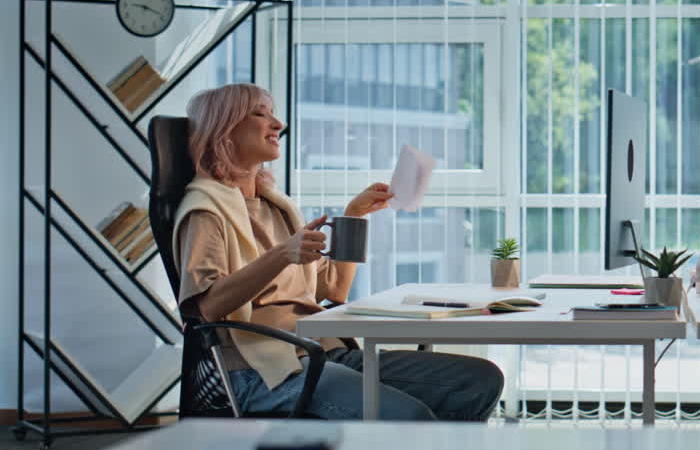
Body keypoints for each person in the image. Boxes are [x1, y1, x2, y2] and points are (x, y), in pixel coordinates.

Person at [174, 83, 504, 420]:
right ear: (224, 131)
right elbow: (208, 308)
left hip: (323, 351)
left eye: (273, 114)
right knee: (411, 419)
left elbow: (333, 289)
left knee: (478, 380)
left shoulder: (275, 206)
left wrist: (354, 216)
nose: (278, 124)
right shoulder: (205, 211)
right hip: (266, 368)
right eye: (260, 114)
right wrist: (283, 254)